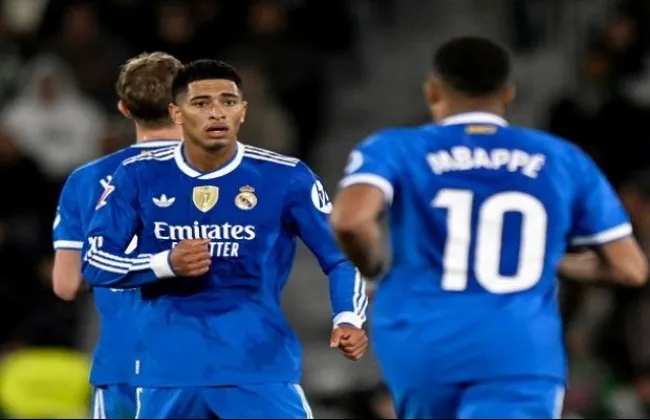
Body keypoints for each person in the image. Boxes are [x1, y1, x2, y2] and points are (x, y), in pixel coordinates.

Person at [329, 36, 648, 419]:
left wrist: (373, 267)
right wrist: (549, 260)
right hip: (519, 351)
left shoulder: (396, 147)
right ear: (508, 93)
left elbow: (350, 220)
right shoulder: (562, 158)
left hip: (422, 343)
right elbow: (630, 268)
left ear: (433, 91)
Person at [81, 59, 368, 419]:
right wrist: (164, 264)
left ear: (242, 111)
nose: (217, 112)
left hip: (258, 369)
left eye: (228, 102)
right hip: (168, 373)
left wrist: (348, 317)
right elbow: (95, 262)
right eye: (201, 103)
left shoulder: (286, 177)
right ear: (176, 113)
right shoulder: (139, 175)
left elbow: (341, 256)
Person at [52, 51, 183, 419]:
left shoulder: (86, 180)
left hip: (122, 363)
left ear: (124, 109)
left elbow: (67, 284)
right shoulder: (223, 175)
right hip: (201, 364)